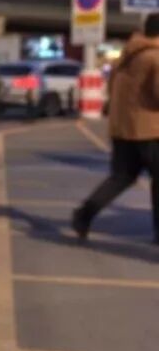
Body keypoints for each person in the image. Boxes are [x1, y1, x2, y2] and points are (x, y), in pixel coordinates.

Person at [72, 12, 159, 244]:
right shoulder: (156, 57)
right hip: (152, 130)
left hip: (122, 129)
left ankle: (84, 214)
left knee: (121, 177)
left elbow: (112, 91)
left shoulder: (126, 56)